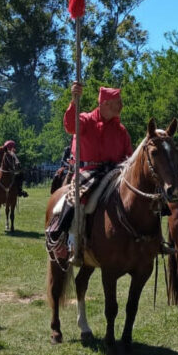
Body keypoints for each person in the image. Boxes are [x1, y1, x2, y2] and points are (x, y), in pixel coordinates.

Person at [47, 83, 133, 263]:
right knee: (77, 196)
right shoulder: (85, 120)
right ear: (106, 104)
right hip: (89, 171)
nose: (121, 106)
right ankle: (61, 237)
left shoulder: (121, 130)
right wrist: (74, 100)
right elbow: (70, 126)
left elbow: (129, 157)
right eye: (118, 102)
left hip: (115, 172)